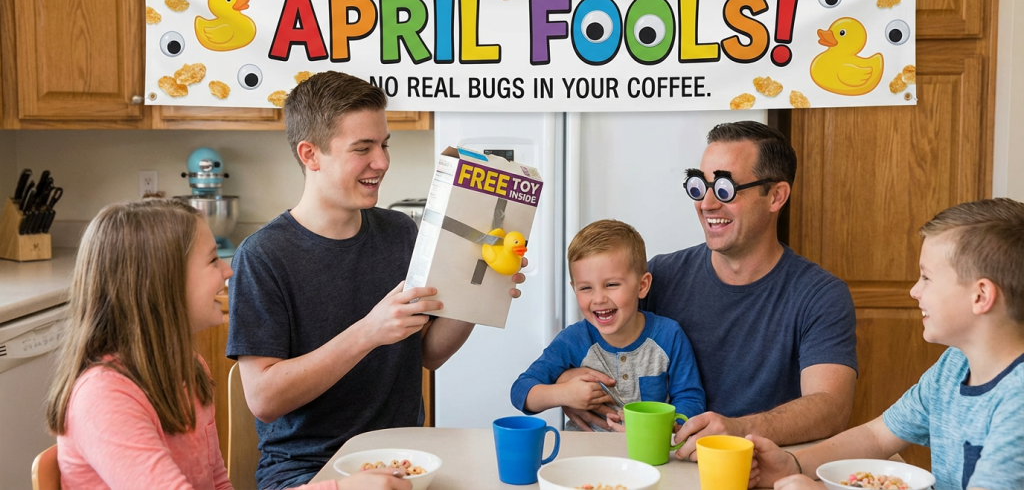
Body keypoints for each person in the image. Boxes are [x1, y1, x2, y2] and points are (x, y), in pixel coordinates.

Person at [227, 71, 525, 489]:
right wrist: (369, 332)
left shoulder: (401, 232)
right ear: (310, 155)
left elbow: (428, 354)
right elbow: (263, 400)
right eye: (362, 148)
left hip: (405, 458)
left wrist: (479, 292)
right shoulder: (263, 256)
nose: (382, 162)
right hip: (306, 471)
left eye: (384, 145)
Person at [44, 199, 409, 490]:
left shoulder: (188, 370)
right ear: (161, 283)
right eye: (210, 261)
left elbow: (218, 484)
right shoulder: (104, 398)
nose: (228, 271)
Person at [560, 121, 858, 461]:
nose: (707, 204)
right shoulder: (660, 275)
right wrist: (572, 382)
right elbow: (593, 345)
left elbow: (831, 407)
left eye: (726, 189)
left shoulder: (820, 295)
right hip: (665, 470)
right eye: (700, 187)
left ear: (776, 196)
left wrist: (735, 429)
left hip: (756, 471)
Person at [748, 198, 1024, 490]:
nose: (914, 291)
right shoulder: (954, 366)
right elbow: (877, 436)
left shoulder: (1017, 400)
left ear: (980, 296)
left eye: (926, 277)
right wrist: (791, 464)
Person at [510, 219, 705, 429]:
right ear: (574, 288)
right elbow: (521, 391)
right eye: (586, 288)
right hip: (585, 454)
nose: (599, 298)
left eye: (611, 285)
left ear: (642, 285)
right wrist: (565, 394)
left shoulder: (669, 335)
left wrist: (668, 427)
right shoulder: (573, 340)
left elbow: (690, 399)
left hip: (648, 455)